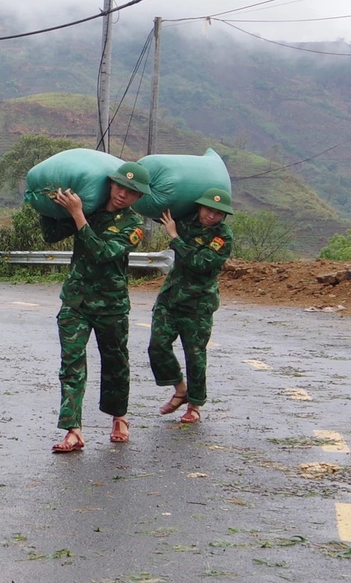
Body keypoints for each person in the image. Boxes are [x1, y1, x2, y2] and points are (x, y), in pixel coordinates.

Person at [45, 162, 150, 454]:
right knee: (71, 364)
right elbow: (51, 234)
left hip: (111, 304)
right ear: (110, 184)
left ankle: (119, 417)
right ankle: (73, 430)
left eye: (131, 192)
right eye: (119, 187)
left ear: (138, 198)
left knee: (115, 363)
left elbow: (103, 253)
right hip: (76, 300)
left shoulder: (133, 226)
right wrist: (49, 205)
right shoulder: (89, 207)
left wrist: (78, 215)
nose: (122, 195)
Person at [150, 188, 234, 425]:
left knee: (195, 355)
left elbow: (200, 263)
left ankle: (194, 405)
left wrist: (175, 238)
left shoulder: (223, 237)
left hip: (198, 303)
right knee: (158, 345)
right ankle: (180, 388)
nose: (211, 216)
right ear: (199, 207)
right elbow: (160, 211)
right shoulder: (186, 221)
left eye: (218, 213)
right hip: (170, 297)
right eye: (208, 209)